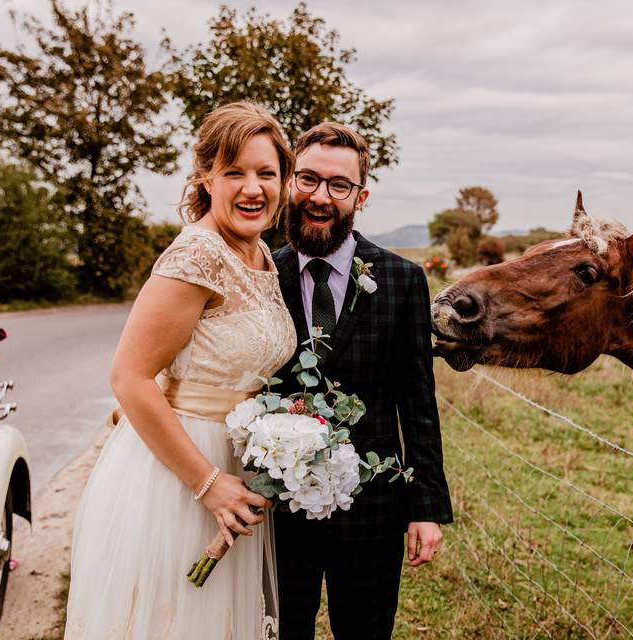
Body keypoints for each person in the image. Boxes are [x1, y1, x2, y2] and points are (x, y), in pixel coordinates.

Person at [65, 101, 296, 639]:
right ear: (206, 178)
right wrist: (208, 482)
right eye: (234, 172)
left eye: (266, 173)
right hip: (180, 474)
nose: (253, 188)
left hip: (234, 467)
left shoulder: (260, 253)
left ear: (284, 182)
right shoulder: (197, 255)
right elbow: (129, 378)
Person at [271, 122, 454, 640]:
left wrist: (426, 507)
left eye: (339, 185)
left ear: (360, 195)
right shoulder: (261, 272)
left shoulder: (402, 279)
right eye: (307, 179)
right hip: (277, 511)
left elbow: (418, 400)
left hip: (373, 506)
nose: (320, 196)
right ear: (289, 182)